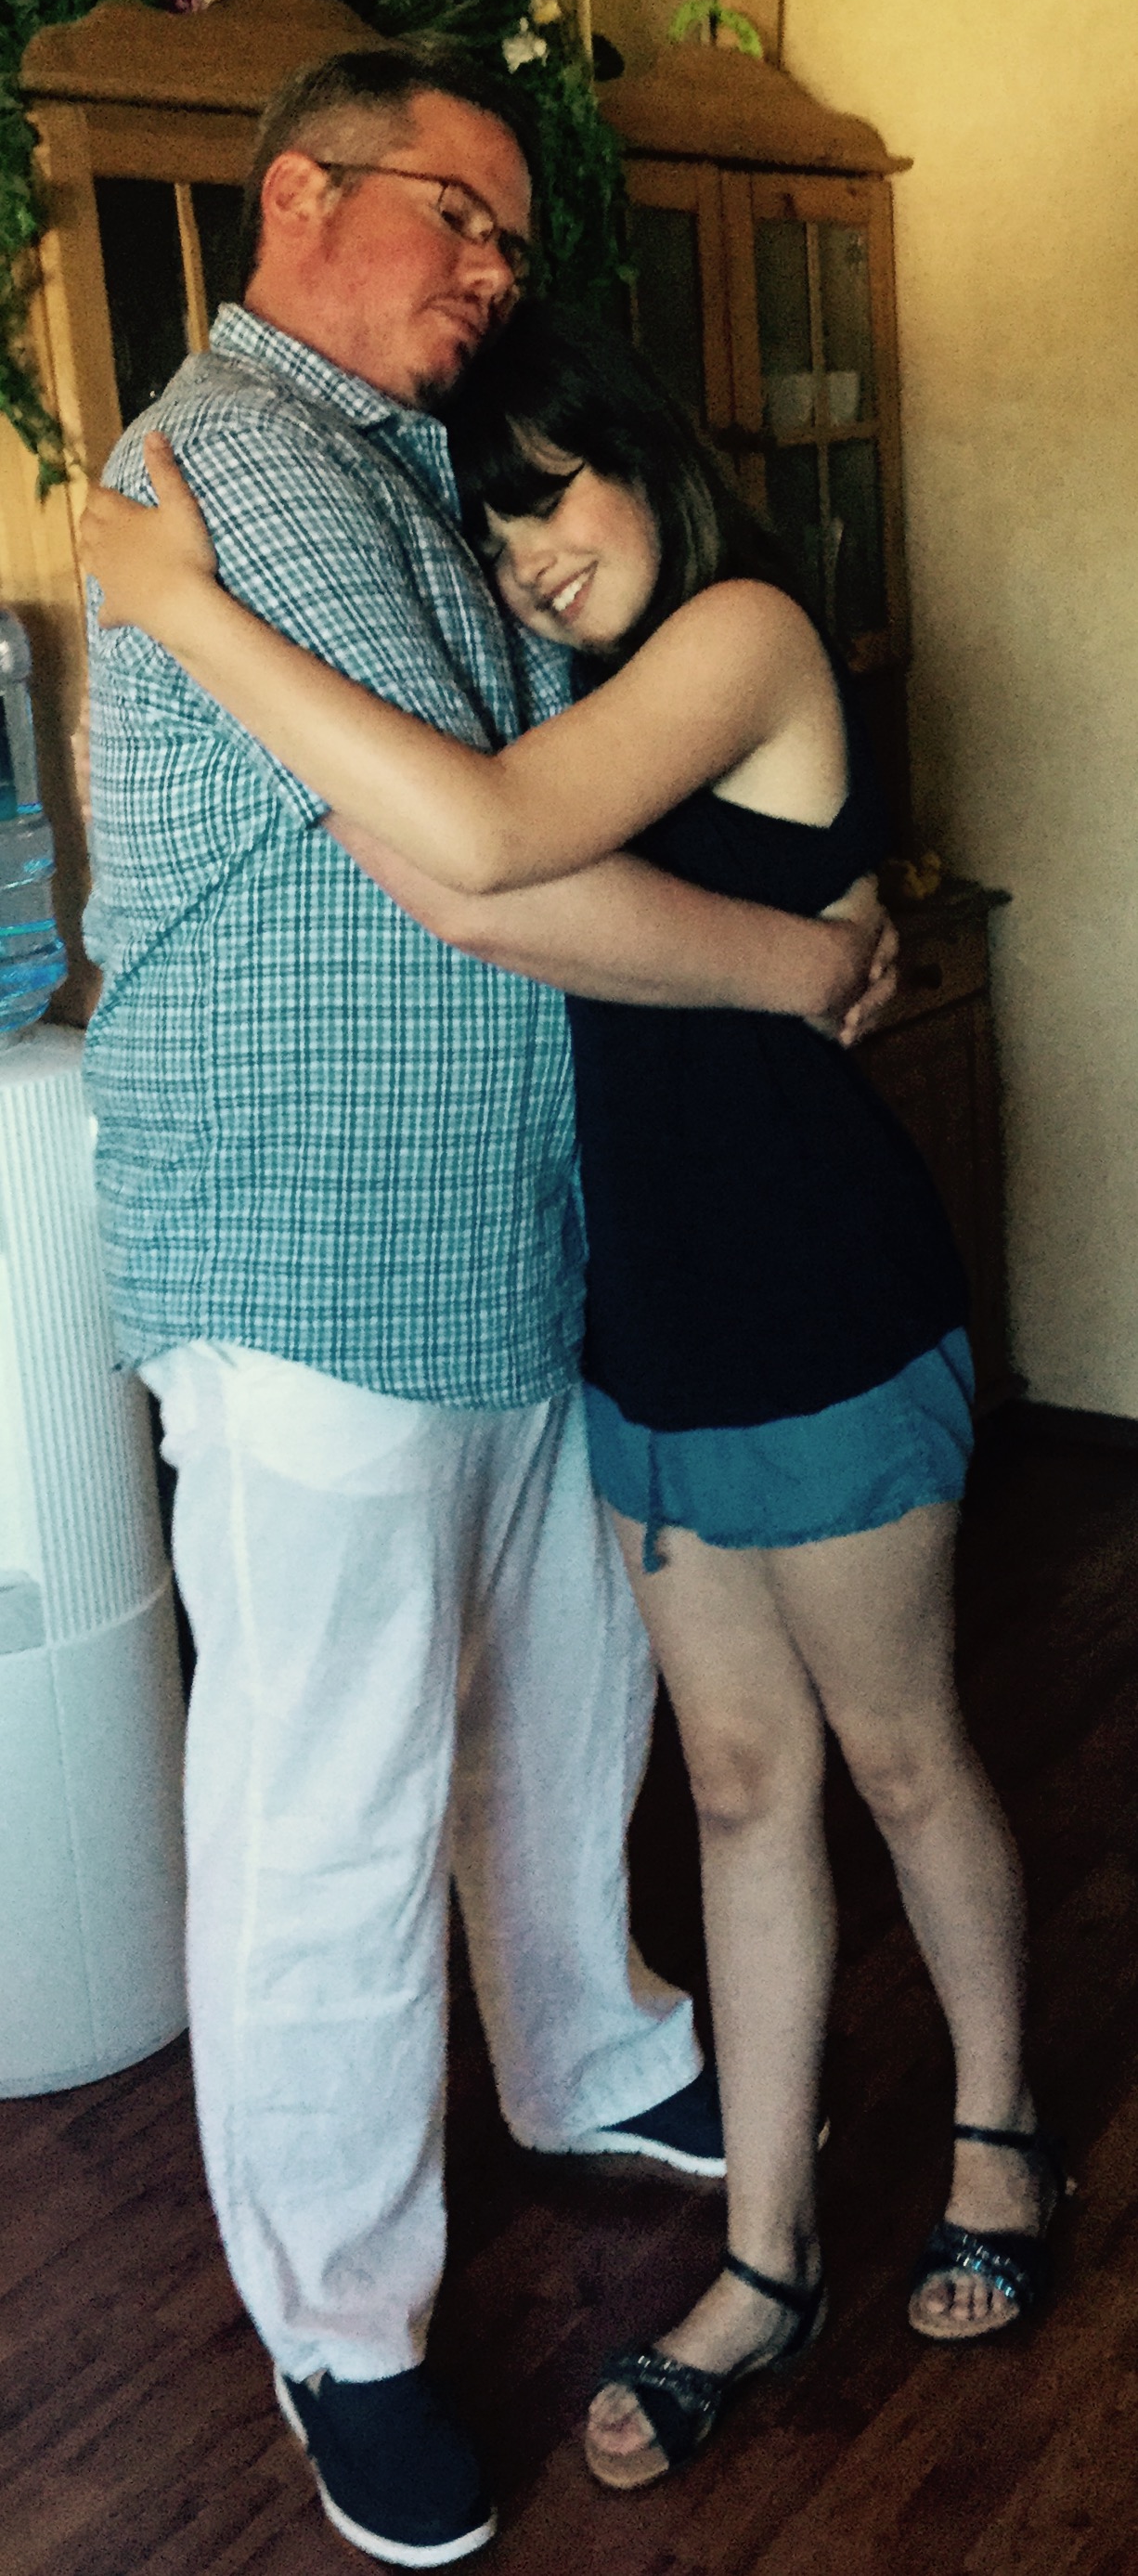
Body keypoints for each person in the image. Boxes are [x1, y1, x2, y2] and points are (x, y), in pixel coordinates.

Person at [83, 294, 1067, 2507]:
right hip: (649, 1314)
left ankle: (1000, 2146)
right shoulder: (582, 682)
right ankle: (766, 2259)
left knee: (902, 1757)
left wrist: (178, 605)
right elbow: (475, 870)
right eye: (491, 525)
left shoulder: (734, 631)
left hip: (820, 1291)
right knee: (737, 1783)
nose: (529, 555)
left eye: (552, 496)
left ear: (643, 455)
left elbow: (490, 849)